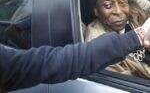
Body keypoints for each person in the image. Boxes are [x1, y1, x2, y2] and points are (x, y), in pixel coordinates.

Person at [0, 19, 150, 92]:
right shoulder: (94, 32)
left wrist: (137, 36)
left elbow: (54, 62)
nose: (118, 10)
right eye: (108, 5)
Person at [85, 0, 150, 78]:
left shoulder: (134, 15)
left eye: (122, 3)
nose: (118, 11)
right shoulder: (98, 45)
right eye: (108, 5)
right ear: (96, 10)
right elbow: (130, 84)